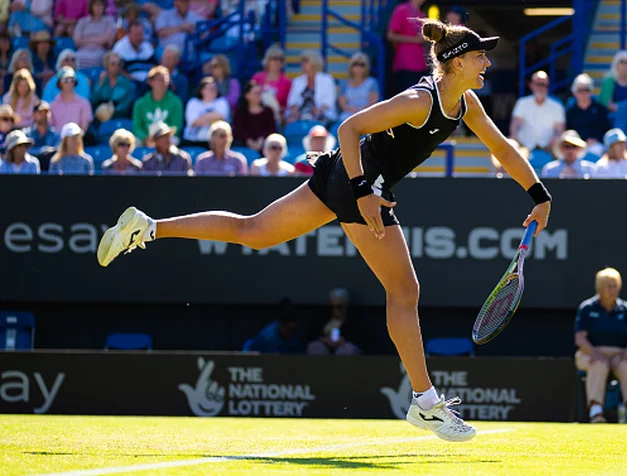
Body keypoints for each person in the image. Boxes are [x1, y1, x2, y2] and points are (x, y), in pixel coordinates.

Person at [96, 19, 552, 442]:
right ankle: (425, 402)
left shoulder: (466, 104)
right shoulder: (420, 100)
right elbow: (349, 126)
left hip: (341, 178)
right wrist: (363, 192)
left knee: (253, 231)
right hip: (357, 182)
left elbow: (504, 149)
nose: (487, 64)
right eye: (479, 57)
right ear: (455, 62)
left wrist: (538, 194)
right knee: (404, 290)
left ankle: (148, 227)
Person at [574, 267, 627, 424]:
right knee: (598, 364)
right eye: (609, 286)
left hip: (620, 354)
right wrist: (594, 353)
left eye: (615, 286)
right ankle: (596, 412)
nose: (612, 290)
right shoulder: (587, 308)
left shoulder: (626, 309)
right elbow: (580, 338)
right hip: (590, 353)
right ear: (600, 288)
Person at [510, 71, 565, 154]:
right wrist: (516, 141)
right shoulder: (522, 103)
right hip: (524, 146)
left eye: (544, 85)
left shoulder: (557, 106)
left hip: (549, 147)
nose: (541, 88)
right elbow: (514, 127)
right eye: (538, 84)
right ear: (531, 85)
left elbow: (560, 131)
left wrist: (555, 140)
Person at [132, 66, 184, 145]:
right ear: (150, 82)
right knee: (134, 142)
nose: (163, 84)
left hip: (167, 137)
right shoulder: (140, 103)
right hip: (147, 137)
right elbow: (137, 127)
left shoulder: (176, 102)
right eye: (159, 80)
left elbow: (176, 126)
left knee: (174, 141)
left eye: (165, 81)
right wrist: (146, 138)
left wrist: (161, 138)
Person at [386, 0, 428, 97]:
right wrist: (414, 40)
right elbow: (390, 35)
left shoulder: (422, 14)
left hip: (420, 64)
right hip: (405, 63)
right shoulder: (402, 10)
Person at [285, 49, 337, 125]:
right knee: (290, 121)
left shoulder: (327, 79)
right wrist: (295, 111)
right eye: (302, 62)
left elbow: (329, 102)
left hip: (321, 113)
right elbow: (292, 101)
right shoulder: (297, 81)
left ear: (314, 63)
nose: (303, 64)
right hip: (301, 114)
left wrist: (319, 110)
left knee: (318, 123)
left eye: (306, 61)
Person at [307, 288, 362, 356]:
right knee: (315, 347)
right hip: (325, 345)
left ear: (345, 306)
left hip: (343, 346)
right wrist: (324, 340)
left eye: (339, 306)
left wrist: (343, 340)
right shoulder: (322, 319)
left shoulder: (353, 321)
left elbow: (357, 338)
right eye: (332, 306)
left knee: (348, 349)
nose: (335, 310)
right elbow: (312, 334)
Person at [565, 73, 610, 157]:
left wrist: (597, 140)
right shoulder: (570, 110)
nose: (584, 93)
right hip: (577, 146)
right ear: (575, 92)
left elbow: (607, 130)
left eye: (587, 90)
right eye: (580, 90)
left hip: (597, 145)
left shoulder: (599, 108)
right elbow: (568, 131)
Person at [183, 76, 230, 147]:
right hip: (193, 141)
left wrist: (201, 117)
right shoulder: (193, 102)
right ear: (202, 90)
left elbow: (221, 117)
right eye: (210, 89)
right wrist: (214, 120)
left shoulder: (222, 102)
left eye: (215, 89)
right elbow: (193, 122)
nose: (213, 91)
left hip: (215, 142)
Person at [91, 52, 137, 121]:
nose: (116, 67)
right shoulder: (101, 80)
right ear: (107, 66)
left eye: (118, 64)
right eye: (113, 64)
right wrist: (100, 84)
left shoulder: (126, 83)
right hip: (100, 115)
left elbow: (127, 103)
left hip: (120, 115)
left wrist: (113, 112)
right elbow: (94, 99)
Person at [232, 81, 276, 152]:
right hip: (243, 147)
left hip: (265, 147)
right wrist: (249, 141)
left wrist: (262, 139)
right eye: (256, 93)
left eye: (260, 93)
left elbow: (272, 129)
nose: (259, 95)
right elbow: (238, 130)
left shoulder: (268, 111)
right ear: (247, 95)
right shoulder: (239, 112)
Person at [73, 0, 117, 69]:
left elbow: (109, 40)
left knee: (96, 58)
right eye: (96, 5)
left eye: (100, 5)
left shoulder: (110, 21)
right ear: (91, 6)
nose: (98, 8)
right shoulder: (82, 21)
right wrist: (99, 39)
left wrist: (86, 39)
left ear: (104, 7)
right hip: (83, 50)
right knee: (73, 59)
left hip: (100, 51)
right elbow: (77, 41)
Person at [251, 45, 292, 119]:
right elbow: (250, 97)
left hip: (277, 117)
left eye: (280, 59)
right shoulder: (257, 78)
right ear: (267, 61)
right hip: (257, 114)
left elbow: (287, 105)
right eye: (274, 59)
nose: (277, 62)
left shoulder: (287, 82)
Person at [337, 52, 380, 121]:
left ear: (366, 67)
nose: (358, 67)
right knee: (343, 119)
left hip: (367, 113)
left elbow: (373, 102)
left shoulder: (372, 82)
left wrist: (360, 110)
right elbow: (342, 104)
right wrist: (351, 109)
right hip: (349, 113)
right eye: (355, 64)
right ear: (351, 66)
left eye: (362, 65)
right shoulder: (344, 83)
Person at [49, 66, 93, 133]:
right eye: (65, 80)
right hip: (57, 142)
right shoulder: (52, 106)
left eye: (71, 80)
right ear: (59, 83)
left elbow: (84, 128)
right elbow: (51, 128)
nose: (69, 83)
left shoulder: (84, 103)